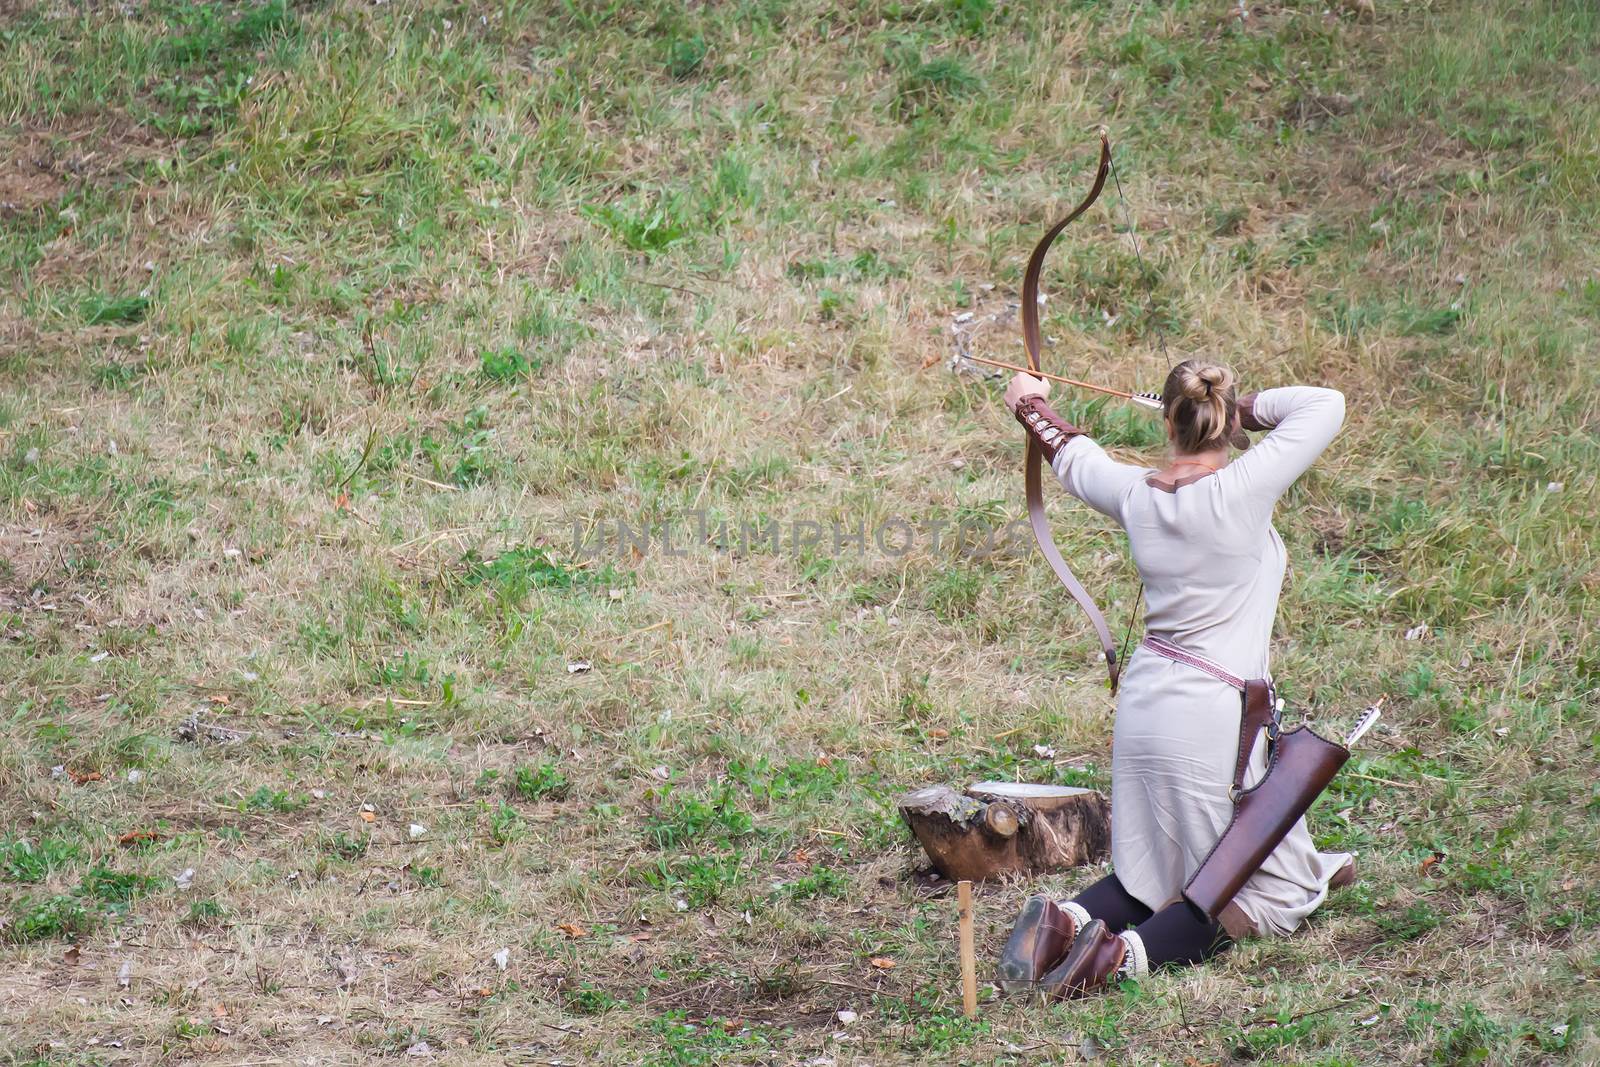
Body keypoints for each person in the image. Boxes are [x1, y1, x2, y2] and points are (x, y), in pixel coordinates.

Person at [995, 359, 1357, 999]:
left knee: (1154, 867)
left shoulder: (1136, 494)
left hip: (1147, 704)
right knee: (1270, 895)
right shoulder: (1242, 488)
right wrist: (1239, 409)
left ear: (1168, 420)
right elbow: (1324, 404)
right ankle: (1117, 959)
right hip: (1211, 717)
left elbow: (1070, 453)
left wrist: (1029, 403)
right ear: (1220, 423)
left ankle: (1064, 921)